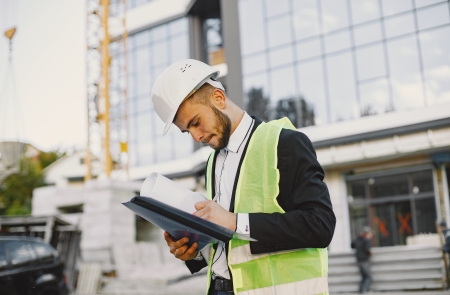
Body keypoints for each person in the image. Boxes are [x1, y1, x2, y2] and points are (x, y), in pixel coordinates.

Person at [150, 59, 336, 295]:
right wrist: (194, 250)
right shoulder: (212, 162)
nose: (196, 137)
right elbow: (232, 248)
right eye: (187, 131)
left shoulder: (283, 142)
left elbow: (320, 226)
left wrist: (233, 221)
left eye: (196, 122)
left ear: (219, 98)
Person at [353, 226, 373, 294]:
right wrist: (370, 254)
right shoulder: (366, 240)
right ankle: (364, 290)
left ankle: (361, 290)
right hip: (364, 261)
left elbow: (352, 245)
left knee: (364, 276)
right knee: (367, 276)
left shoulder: (358, 239)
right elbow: (367, 250)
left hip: (359, 260)